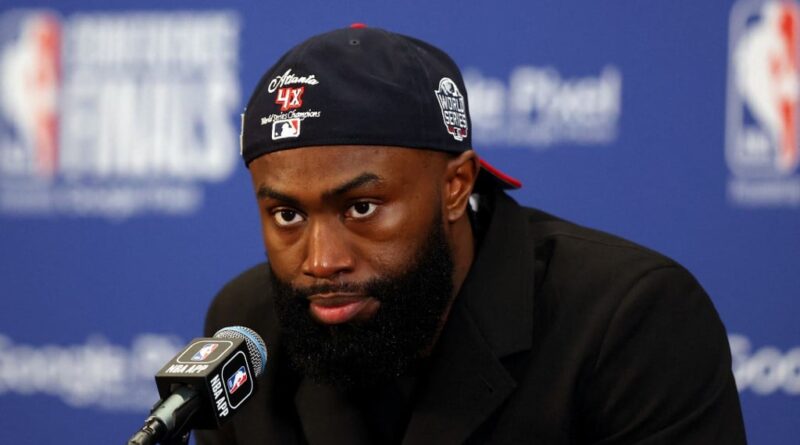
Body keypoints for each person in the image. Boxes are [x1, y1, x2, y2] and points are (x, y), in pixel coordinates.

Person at [195, 25, 747, 444]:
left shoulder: (630, 321)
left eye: (362, 207)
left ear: (456, 186)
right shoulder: (247, 328)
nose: (321, 260)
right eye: (287, 216)